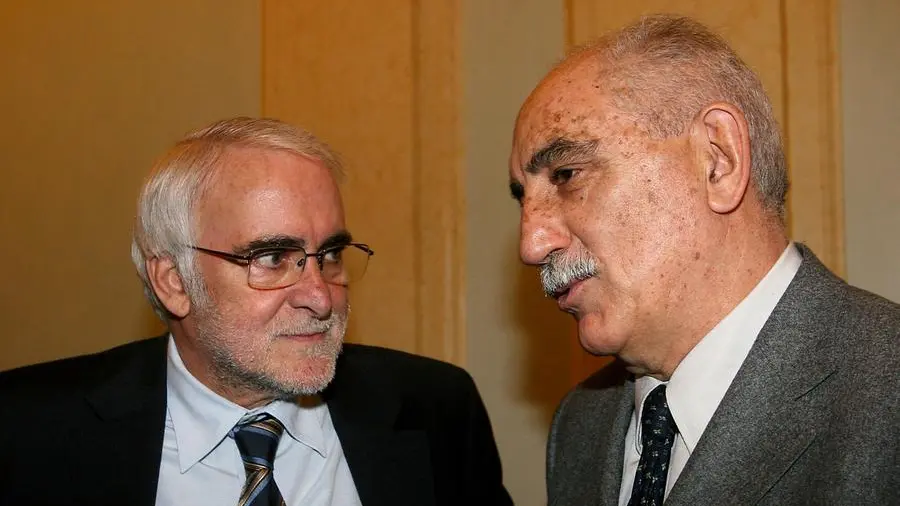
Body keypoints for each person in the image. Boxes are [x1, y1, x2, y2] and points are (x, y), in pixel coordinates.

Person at [0, 117, 513, 506]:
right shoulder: (26, 432)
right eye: (271, 259)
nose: (320, 297)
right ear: (174, 282)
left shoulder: (436, 408)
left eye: (331, 254)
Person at [508, 14, 899, 506]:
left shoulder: (887, 393)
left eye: (567, 174)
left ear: (718, 160)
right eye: (522, 198)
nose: (532, 245)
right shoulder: (581, 427)